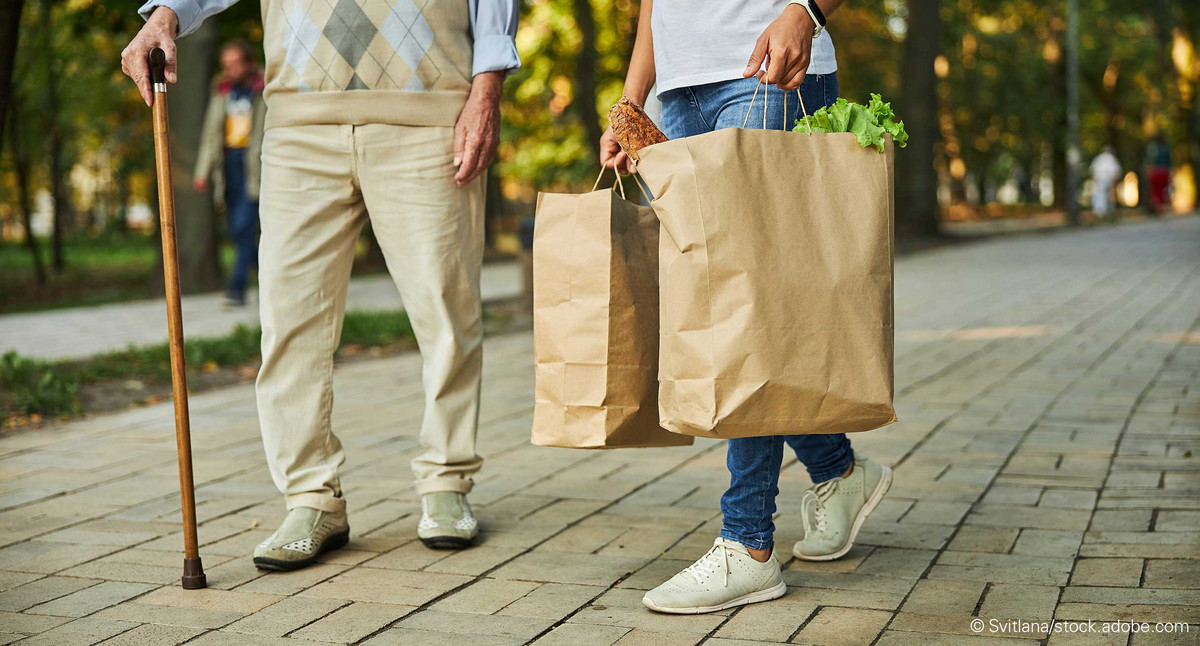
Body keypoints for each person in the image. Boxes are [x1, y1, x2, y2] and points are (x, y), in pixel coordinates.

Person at [121, 0, 519, 570]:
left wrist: (488, 89)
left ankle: (446, 481)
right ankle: (311, 498)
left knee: (446, 310)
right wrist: (165, 14)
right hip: (299, 122)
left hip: (431, 112)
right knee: (289, 320)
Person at [600, 0, 893, 615]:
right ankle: (838, 469)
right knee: (727, 307)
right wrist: (632, 103)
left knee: (747, 306)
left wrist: (806, 11)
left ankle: (748, 544)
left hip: (767, 69)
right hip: (680, 92)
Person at [194, 40, 265, 308]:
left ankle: (236, 290)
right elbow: (211, 134)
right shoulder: (222, 92)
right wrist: (203, 171)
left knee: (243, 227)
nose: (231, 69)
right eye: (226, 65)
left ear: (248, 62)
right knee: (238, 232)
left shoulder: (263, 89)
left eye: (235, 63)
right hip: (228, 166)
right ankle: (272, 274)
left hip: (254, 164)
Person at [1089, 145, 1122, 218]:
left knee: (1100, 195)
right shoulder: (1111, 159)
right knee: (1108, 196)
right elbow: (1116, 171)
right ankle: (1107, 211)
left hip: (1099, 179)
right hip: (1108, 179)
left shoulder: (1098, 158)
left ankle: (1100, 211)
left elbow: (1092, 170)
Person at [1145, 136, 1172, 213]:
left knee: (1156, 191)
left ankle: (1158, 209)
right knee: (1163, 191)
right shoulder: (1166, 150)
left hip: (1156, 172)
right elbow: (1169, 162)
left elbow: (1149, 162)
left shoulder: (1153, 149)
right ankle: (1162, 208)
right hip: (1164, 171)